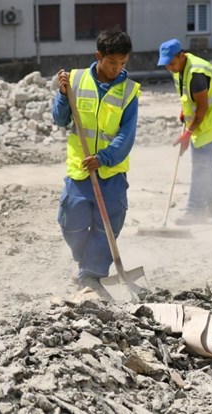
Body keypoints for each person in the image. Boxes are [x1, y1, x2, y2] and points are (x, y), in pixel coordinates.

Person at [53, 29, 140, 292]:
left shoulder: (129, 91)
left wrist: (104, 158)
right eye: (112, 62)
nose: (117, 69)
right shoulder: (76, 80)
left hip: (111, 173)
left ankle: (92, 274)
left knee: (108, 227)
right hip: (80, 171)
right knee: (71, 222)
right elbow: (59, 119)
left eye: (123, 63)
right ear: (99, 56)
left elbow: (127, 134)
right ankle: (83, 261)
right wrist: (62, 95)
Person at [157, 38, 212, 224]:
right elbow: (189, 97)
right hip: (203, 120)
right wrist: (184, 112)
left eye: (172, 63)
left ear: (181, 55)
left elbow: (202, 109)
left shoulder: (197, 74)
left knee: (201, 163)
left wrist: (187, 133)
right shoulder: (180, 68)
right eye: (166, 64)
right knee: (206, 163)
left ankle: (195, 210)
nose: (169, 67)